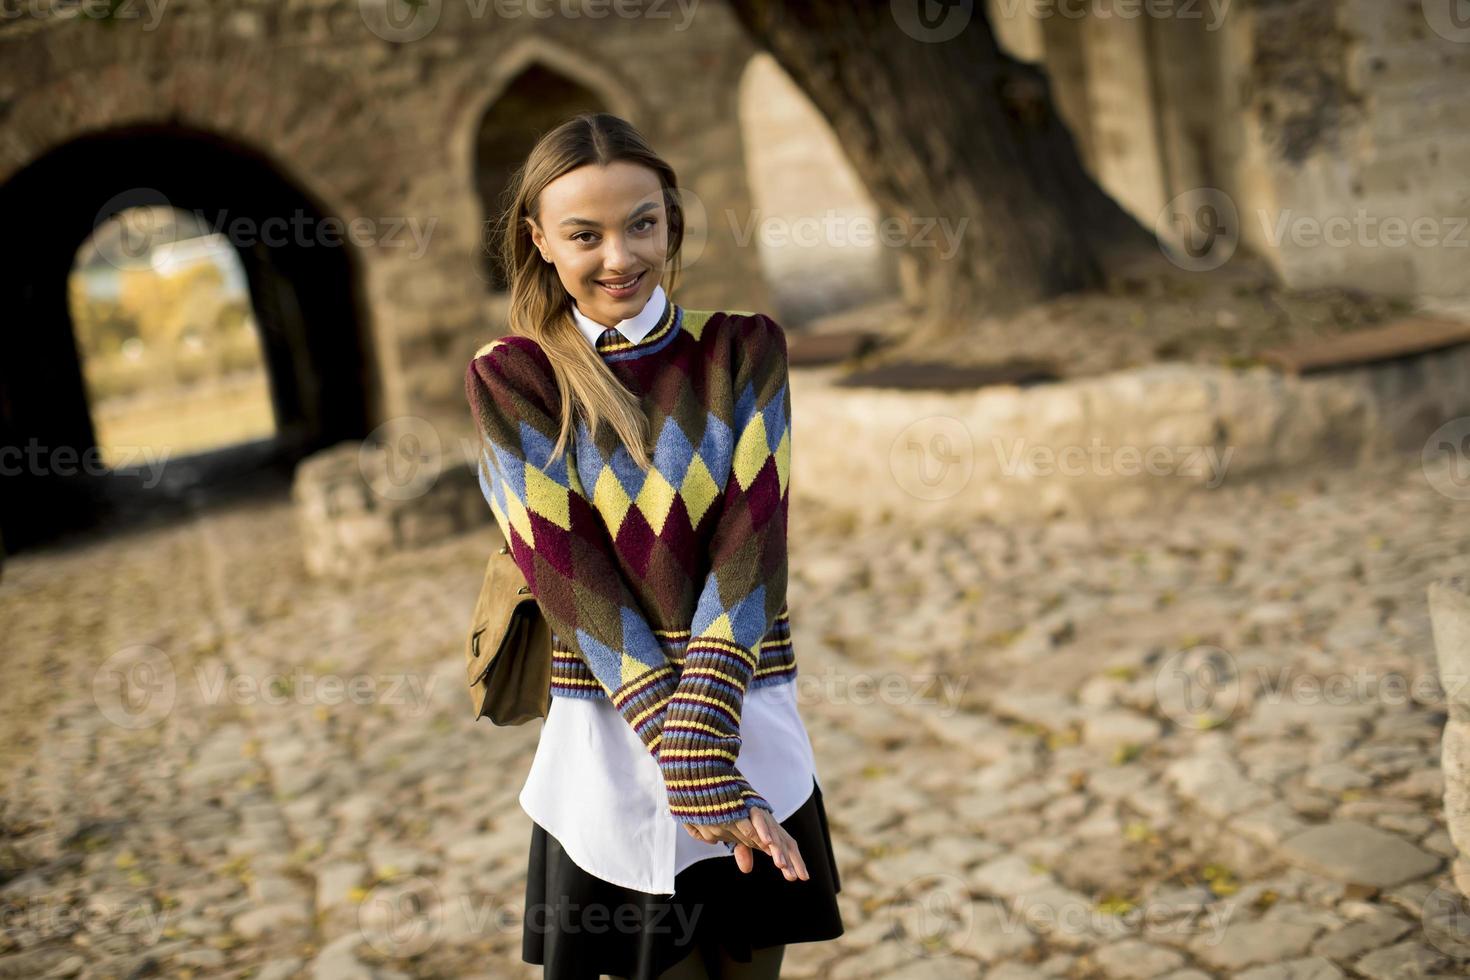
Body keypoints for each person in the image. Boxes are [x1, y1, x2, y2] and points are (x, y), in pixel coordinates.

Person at [464, 112, 843, 980]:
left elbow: (754, 551)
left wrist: (708, 745)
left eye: (641, 223)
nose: (619, 257)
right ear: (540, 242)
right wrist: (687, 759)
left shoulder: (743, 349)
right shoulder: (515, 378)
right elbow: (571, 582)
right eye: (584, 235)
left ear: (671, 217)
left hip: (744, 720)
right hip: (608, 744)